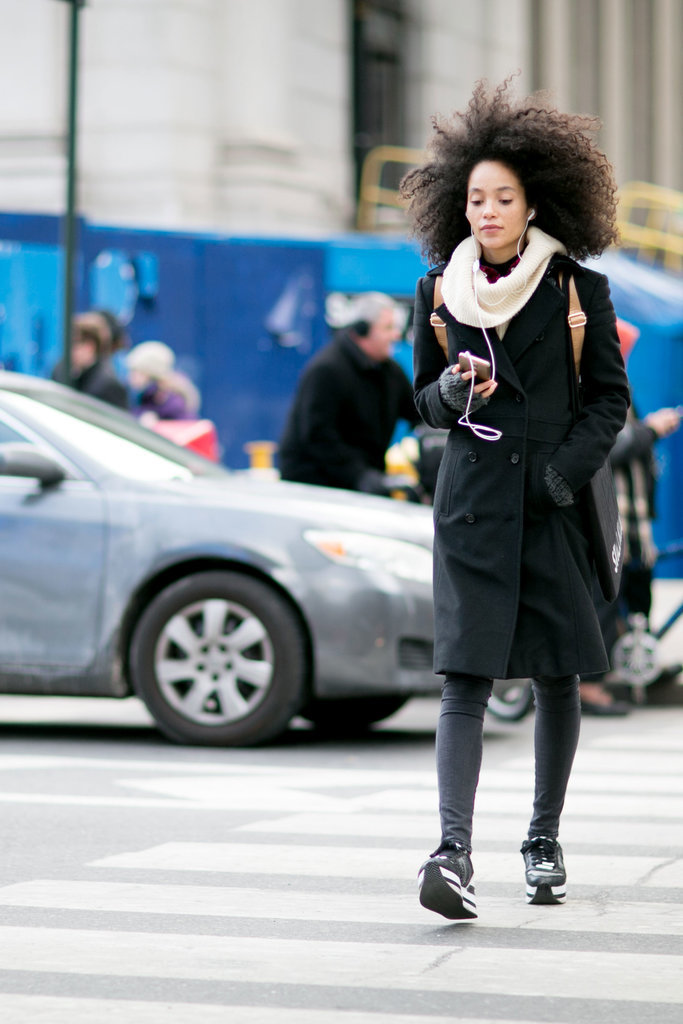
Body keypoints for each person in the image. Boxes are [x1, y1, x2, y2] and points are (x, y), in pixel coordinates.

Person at [399, 78, 630, 920]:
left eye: (502, 198)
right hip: (469, 508)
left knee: (555, 677)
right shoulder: (436, 293)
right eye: (474, 198)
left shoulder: (576, 290)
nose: (486, 212)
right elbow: (417, 401)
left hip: (551, 502)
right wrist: (454, 395)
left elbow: (609, 399)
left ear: (533, 203)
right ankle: (450, 851)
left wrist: (560, 476)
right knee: (462, 678)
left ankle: (542, 838)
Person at [580, 399, 681, 712]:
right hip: (610, 522)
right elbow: (609, 449)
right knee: (604, 608)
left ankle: (637, 666)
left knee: (637, 606)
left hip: (636, 528)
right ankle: (589, 687)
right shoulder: (591, 397)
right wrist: (650, 430)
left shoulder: (625, 397)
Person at [278, 292, 420, 494]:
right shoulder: (326, 370)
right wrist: (360, 475)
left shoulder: (390, 372)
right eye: (388, 328)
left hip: (359, 481)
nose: (396, 335)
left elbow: (418, 412)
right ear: (361, 330)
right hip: (316, 487)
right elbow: (317, 436)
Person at [52, 312, 129, 410]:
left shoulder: (108, 385)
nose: (71, 350)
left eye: (76, 344)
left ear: (90, 346)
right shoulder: (62, 371)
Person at [126, 341, 200, 424]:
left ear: (150, 374)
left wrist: (157, 424)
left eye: (135, 371)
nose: (130, 377)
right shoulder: (146, 398)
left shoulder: (173, 404)